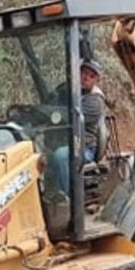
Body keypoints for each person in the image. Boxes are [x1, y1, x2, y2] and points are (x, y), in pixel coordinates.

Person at [46, 59, 109, 198]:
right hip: (65, 143)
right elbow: (49, 105)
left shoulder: (95, 101)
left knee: (60, 156)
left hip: (83, 147)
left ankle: (66, 199)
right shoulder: (66, 91)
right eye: (84, 73)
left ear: (96, 81)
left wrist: (48, 113)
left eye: (91, 76)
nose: (86, 78)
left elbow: (68, 116)